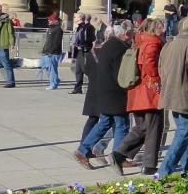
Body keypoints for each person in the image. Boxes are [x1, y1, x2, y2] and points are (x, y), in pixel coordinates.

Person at [72, 22, 131, 170]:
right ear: (125, 33)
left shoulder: (106, 46)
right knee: (122, 124)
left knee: (104, 122)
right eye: (131, 32)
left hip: (103, 91)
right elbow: (121, 74)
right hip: (116, 92)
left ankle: (82, 150)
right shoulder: (120, 48)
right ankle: (117, 157)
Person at [156, 17, 188, 178]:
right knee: (183, 133)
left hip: (171, 93)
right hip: (185, 95)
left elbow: (160, 68)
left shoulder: (169, 44)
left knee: (182, 132)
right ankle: (164, 171)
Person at [112, 19, 165, 176]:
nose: (163, 30)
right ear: (152, 29)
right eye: (160, 27)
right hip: (149, 91)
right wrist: (156, 78)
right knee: (154, 128)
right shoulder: (152, 42)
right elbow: (149, 63)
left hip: (136, 91)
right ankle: (149, 165)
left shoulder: (137, 42)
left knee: (142, 127)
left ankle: (119, 154)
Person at [70, 14, 98, 94]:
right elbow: (77, 37)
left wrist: (82, 44)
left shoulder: (88, 27)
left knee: (85, 69)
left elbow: (92, 38)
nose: (74, 18)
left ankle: (95, 85)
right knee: (78, 70)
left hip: (85, 51)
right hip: (78, 51)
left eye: (75, 17)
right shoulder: (78, 27)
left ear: (79, 18)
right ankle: (78, 88)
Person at [40, 17, 64, 90]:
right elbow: (47, 41)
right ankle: (55, 79)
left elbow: (57, 42)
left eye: (51, 20)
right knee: (45, 66)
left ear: (56, 21)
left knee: (52, 68)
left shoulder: (58, 29)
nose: (49, 21)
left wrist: (52, 51)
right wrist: (43, 50)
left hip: (53, 52)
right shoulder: (50, 29)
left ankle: (53, 84)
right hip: (46, 51)